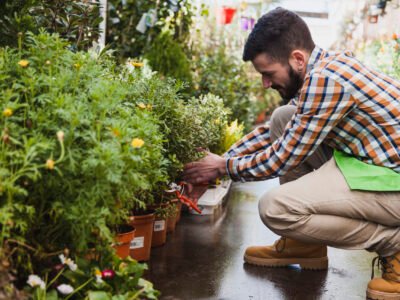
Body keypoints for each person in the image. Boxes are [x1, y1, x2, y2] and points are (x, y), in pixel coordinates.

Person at [183, 7, 400, 300]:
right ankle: (304, 244)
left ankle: (393, 244)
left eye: (268, 74)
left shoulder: (326, 81)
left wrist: (222, 168)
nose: (265, 83)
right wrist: (215, 164)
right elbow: (283, 132)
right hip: (380, 170)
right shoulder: (325, 69)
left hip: (393, 184)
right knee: (282, 117)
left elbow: (281, 158)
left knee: (275, 208)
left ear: (297, 58)